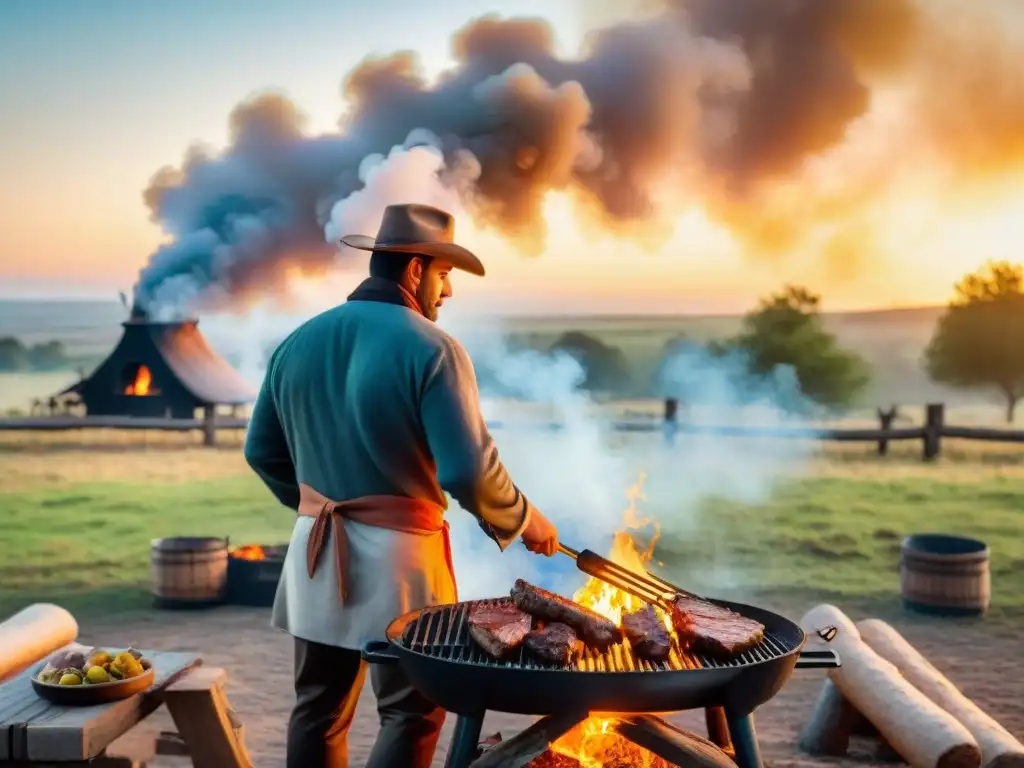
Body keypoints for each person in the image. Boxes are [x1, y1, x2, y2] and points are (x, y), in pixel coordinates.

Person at [243, 202, 561, 768]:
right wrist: (524, 517)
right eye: (444, 275)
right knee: (411, 713)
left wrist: (316, 508)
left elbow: (260, 451)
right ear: (415, 270)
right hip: (400, 562)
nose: (449, 292)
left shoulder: (297, 341)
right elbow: (466, 471)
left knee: (316, 706)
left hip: (315, 548)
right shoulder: (434, 348)